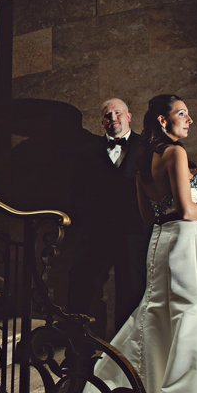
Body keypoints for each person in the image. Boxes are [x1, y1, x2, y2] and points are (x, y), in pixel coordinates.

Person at [80, 94, 197, 393]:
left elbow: (148, 216)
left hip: (160, 241)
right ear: (163, 121)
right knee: (188, 314)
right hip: (184, 242)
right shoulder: (176, 153)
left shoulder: (141, 160)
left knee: (158, 312)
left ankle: (133, 386)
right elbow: (188, 211)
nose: (189, 120)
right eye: (182, 113)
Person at [67, 98, 152, 337]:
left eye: (117, 113)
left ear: (129, 116)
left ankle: (122, 359)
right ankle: (77, 349)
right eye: (107, 115)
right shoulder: (87, 151)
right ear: (102, 121)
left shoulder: (147, 147)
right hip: (96, 233)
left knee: (132, 292)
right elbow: (76, 191)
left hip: (134, 233)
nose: (112, 118)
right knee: (80, 286)